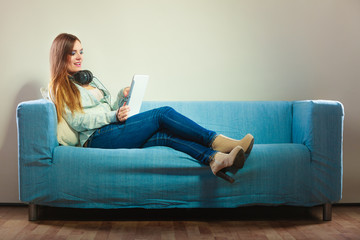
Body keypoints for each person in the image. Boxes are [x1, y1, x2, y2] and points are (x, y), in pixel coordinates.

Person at [49, 33, 254, 183]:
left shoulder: (89, 80)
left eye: (81, 52)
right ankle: (217, 141)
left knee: (165, 136)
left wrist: (122, 96)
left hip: (110, 131)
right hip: (96, 138)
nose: (79, 57)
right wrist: (113, 116)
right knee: (162, 114)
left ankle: (216, 159)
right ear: (61, 56)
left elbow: (109, 107)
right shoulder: (60, 87)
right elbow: (78, 120)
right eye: (73, 53)